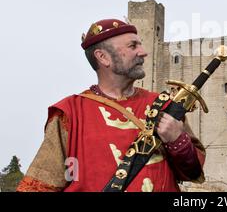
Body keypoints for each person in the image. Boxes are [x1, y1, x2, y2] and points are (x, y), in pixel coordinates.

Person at [17, 19, 205, 192]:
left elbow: (193, 173)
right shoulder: (71, 113)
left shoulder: (164, 106)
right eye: (133, 46)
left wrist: (177, 141)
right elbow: (40, 185)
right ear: (103, 57)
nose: (143, 52)